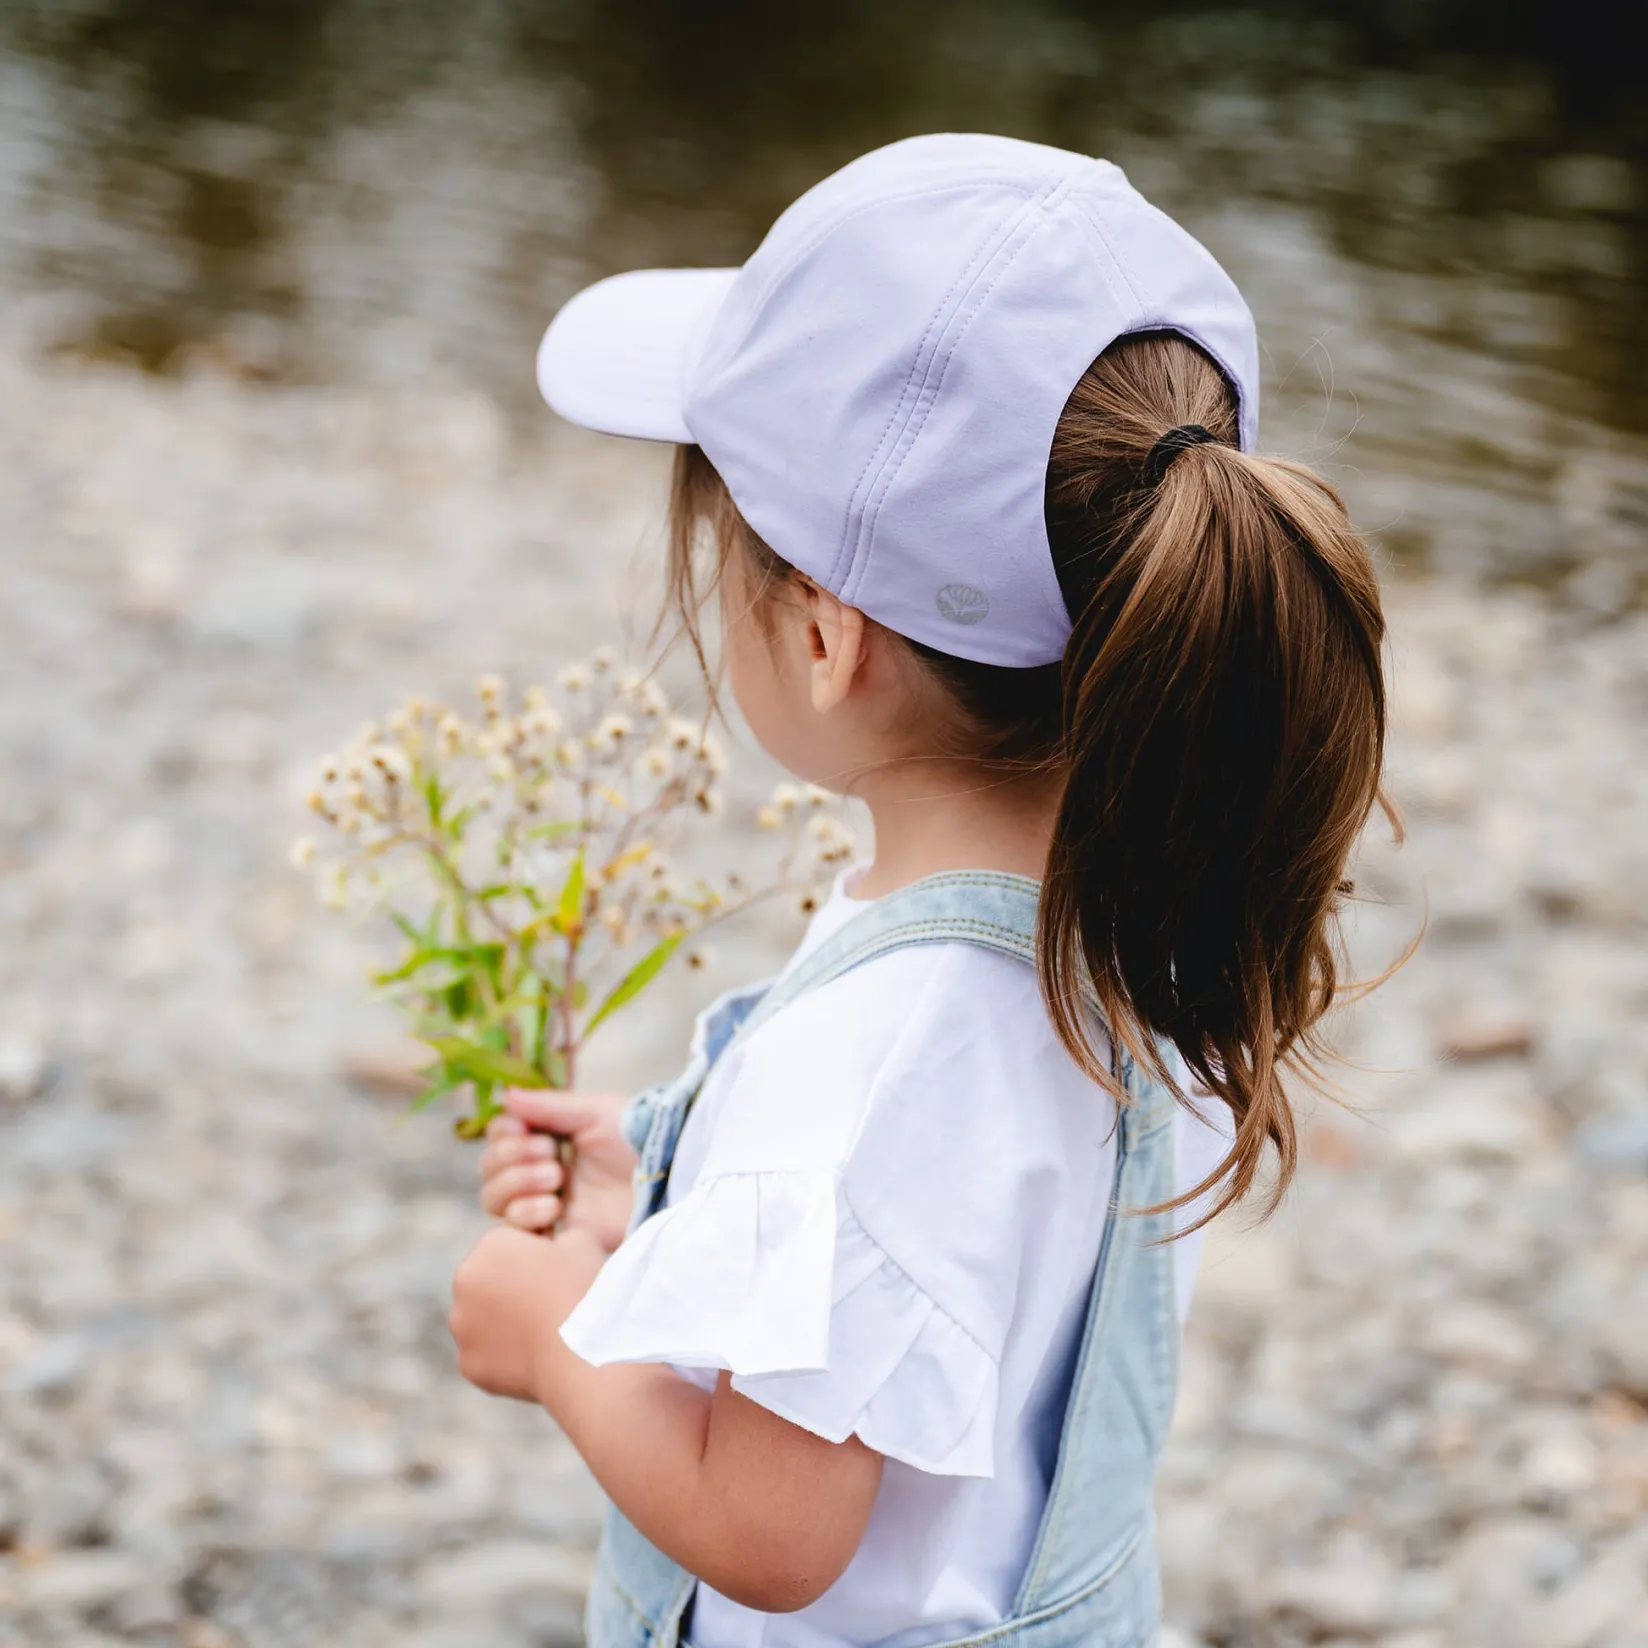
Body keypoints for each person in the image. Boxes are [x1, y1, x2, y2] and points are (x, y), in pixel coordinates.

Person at [446, 133, 1392, 1648]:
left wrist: (562, 1347)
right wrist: (681, 1191)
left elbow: (770, 1533)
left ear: (828, 640)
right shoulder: (1147, 923)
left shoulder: (873, 1058)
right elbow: (956, 1273)